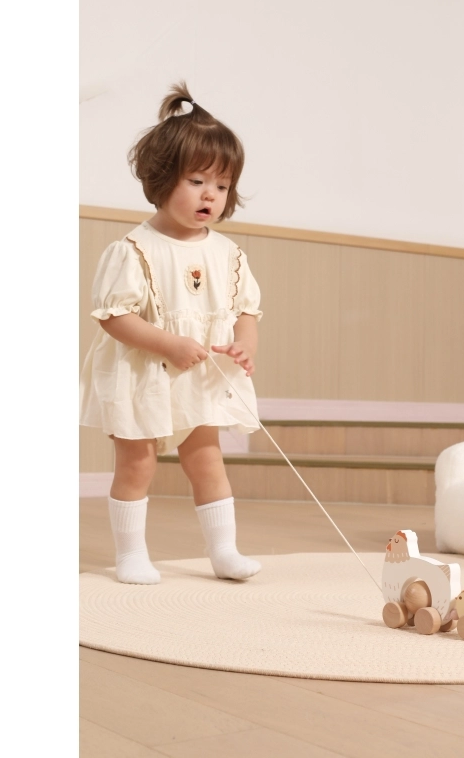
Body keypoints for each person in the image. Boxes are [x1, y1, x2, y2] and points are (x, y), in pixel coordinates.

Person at [79, 82, 263, 585]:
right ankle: (131, 554)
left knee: (206, 461)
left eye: (221, 185)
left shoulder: (227, 254)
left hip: (198, 376)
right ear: (162, 178)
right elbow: (113, 316)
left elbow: (246, 310)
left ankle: (224, 551)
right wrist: (169, 344)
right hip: (143, 372)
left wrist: (245, 345)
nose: (210, 195)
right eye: (197, 180)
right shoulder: (134, 249)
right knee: (137, 463)